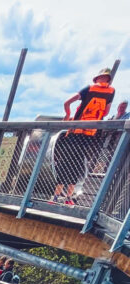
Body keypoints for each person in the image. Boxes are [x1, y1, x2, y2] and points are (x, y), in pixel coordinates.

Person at [51, 70, 115, 205]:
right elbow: (106, 111)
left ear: (96, 78)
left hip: (75, 131)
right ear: (108, 80)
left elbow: (67, 102)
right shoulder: (111, 92)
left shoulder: (89, 89)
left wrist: (68, 117)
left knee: (65, 163)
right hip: (90, 133)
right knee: (77, 164)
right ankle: (68, 198)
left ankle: (55, 197)